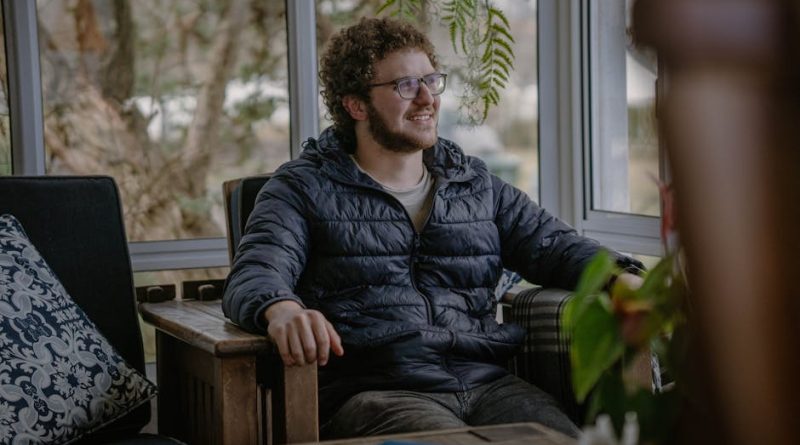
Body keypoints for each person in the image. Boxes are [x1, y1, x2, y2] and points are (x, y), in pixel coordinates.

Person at [222, 17, 643, 439]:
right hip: (377, 392)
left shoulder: (474, 184)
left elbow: (554, 245)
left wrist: (620, 276)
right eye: (405, 85)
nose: (427, 98)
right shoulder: (302, 187)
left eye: (431, 81)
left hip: (487, 382)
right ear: (356, 105)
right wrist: (283, 309)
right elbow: (255, 272)